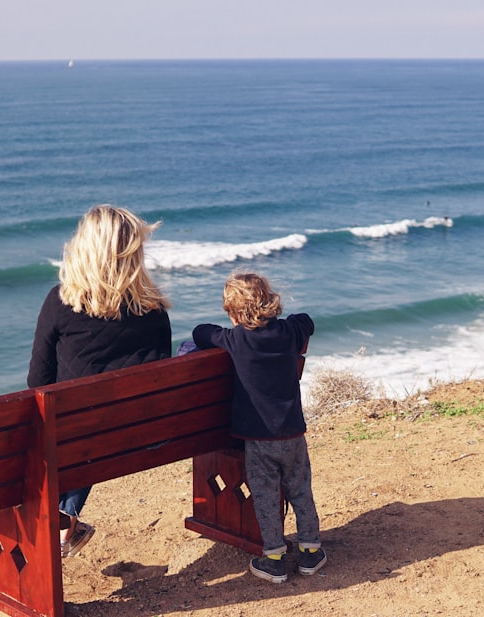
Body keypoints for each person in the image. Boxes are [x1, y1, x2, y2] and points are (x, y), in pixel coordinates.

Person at [27, 204, 172, 558]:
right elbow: (160, 380)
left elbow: (37, 381)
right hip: (137, 439)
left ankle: (62, 522)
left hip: (81, 440)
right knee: (94, 423)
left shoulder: (60, 303)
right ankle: (67, 520)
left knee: (74, 427)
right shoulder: (153, 311)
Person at [191, 272, 325, 583]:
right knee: (300, 489)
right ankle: (310, 552)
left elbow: (201, 333)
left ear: (233, 313)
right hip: (293, 434)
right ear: (269, 302)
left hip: (259, 439)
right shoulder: (289, 331)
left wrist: (228, 326)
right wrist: (289, 320)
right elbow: (307, 320)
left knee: (265, 497)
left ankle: (275, 558)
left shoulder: (236, 340)